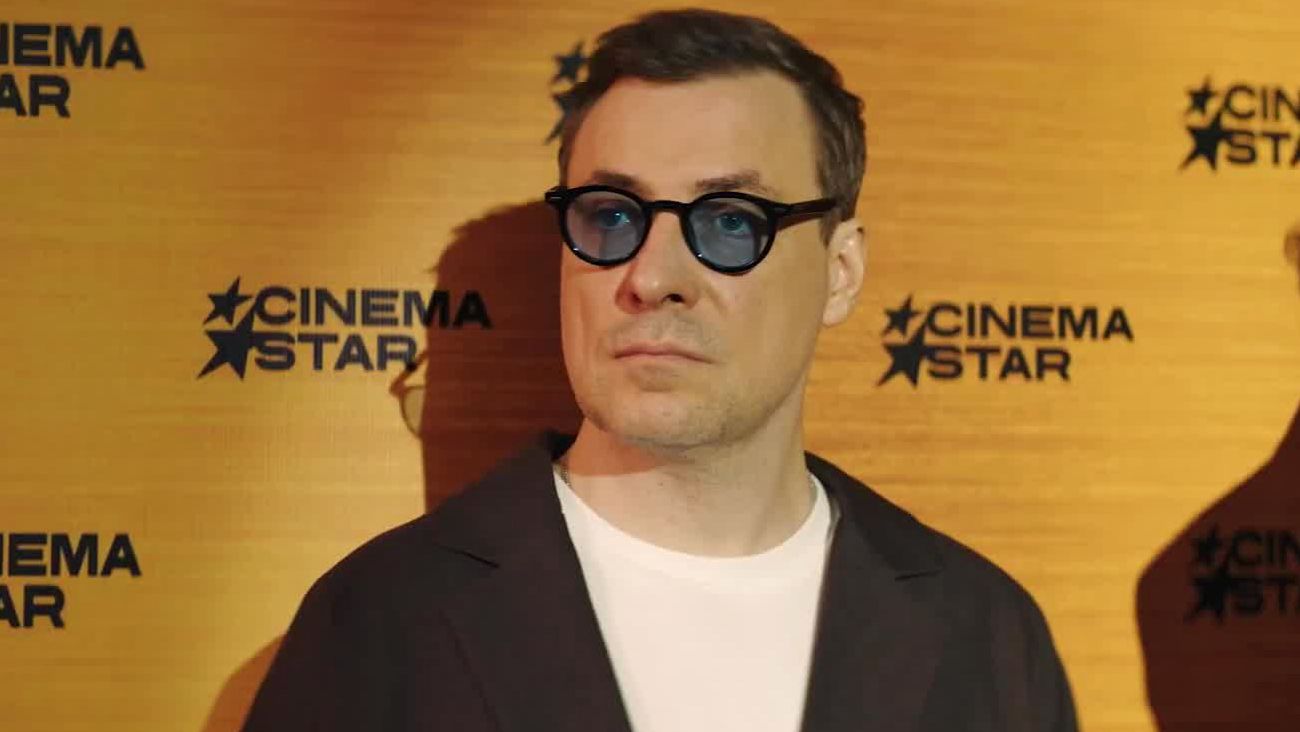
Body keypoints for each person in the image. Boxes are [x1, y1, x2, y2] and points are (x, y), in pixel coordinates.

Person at [242, 8, 1078, 731]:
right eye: (611, 216)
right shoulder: (378, 625)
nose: (651, 277)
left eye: (730, 221)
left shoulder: (986, 634)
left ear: (840, 273)